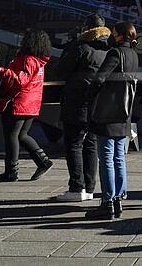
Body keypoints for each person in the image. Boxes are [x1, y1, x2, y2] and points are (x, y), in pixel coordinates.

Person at [85, 21, 139, 220]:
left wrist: (90, 95)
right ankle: (118, 199)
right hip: (124, 113)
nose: (111, 35)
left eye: (114, 32)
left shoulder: (115, 54)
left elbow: (100, 79)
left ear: (120, 36)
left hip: (108, 113)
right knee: (119, 157)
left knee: (106, 157)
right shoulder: (133, 54)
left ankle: (107, 202)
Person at [51, 15, 108, 202]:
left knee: (73, 144)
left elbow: (61, 70)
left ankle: (77, 188)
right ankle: (89, 189)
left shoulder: (81, 47)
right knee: (91, 145)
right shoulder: (107, 50)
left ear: (87, 28)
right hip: (97, 104)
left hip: (77, 102)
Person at [0, 29, 53, 183]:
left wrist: (2, 71)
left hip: (18, 102)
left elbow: (20, 80)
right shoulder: (39, 61)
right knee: (21, 135)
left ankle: (11, 171)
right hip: (31, 103)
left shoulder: (27, 59)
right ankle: (43, 161)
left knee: (11, 135)